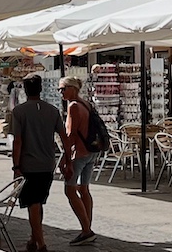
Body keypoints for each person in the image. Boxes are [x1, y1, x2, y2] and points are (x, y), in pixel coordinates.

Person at [11, 75, 65, 252]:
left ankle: (41, 243)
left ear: (25, 90)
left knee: (33, 202)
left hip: (28, 164)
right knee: (38, 202)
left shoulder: (19, 112)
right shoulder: (52, 110)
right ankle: (33, 240)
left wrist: (16, 166)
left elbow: (17, 141)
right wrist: (68, 160)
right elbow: (64, 137)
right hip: (48, 163)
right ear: (41, 88)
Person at [58, 76, 98, 246]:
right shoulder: (86, 103)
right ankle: (86, 227)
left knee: (70, 190)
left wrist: (64, 159)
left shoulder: (73, 106)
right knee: (84, 188)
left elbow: (70, 135)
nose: (60, 92)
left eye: (63, 88)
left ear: (72, 88)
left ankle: (86, 230)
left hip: (79, 153)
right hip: (91, 151)